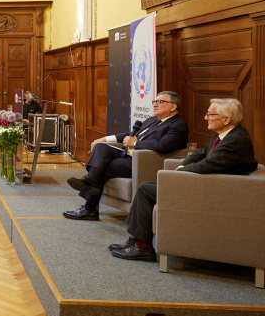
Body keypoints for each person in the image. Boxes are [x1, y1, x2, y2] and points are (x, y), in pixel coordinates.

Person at [109, 99, 259, 261]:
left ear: (226, 119)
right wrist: (181, 168)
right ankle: (137, 241)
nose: (205, 117)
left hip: (218, 193)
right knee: (146, 188)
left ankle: (143, 246)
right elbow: (199, 154)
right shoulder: (225, 135)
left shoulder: (236, 139)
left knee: (145, 189)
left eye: (210, 114)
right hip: (209, 184)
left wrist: (179, 174)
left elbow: (208, 165)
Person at [63, 91, 189, 221]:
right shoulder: (153, 120)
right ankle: (91, 185)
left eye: (160, 102)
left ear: (173, 107)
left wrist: (135, 142)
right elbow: (129, 133)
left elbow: (163, 145)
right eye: (154, 102)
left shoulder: (178, 125)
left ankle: (89, 205)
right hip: (127, 155)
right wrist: (106, 139)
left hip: (142, 162)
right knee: (100, 148)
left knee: (101, 166)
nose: (155, 105)